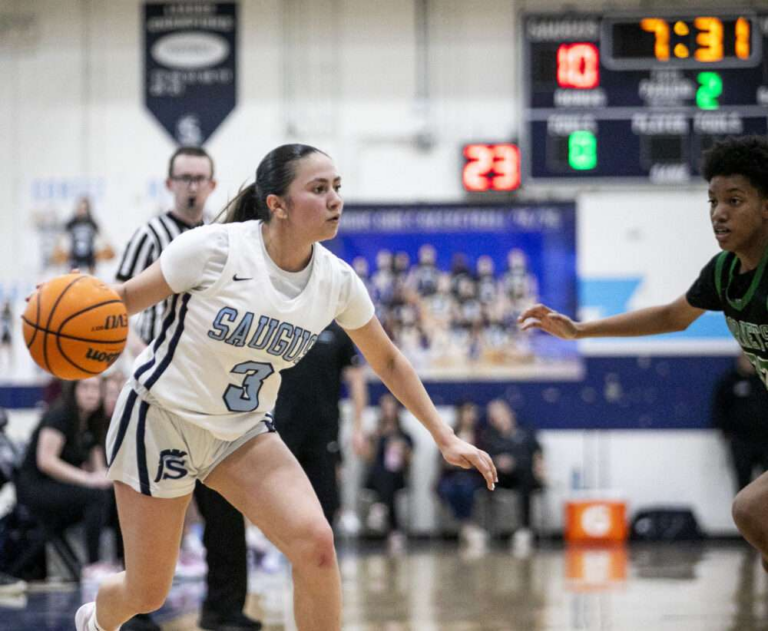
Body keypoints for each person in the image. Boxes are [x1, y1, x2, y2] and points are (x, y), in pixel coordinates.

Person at [74, 143, 497, 631]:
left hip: (241, 430)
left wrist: (445, 435)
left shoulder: (337, 281)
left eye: (337, 187)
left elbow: (387, 359)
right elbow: (124, 299)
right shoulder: (214, 249)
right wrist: (69, 304)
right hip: (159, 418)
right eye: (318, 189)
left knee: (316, 545)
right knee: (148, 591)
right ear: (277, 204)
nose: (335, 199)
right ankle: (96, 619)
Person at [517, 135, 768, 569]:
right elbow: (672, 316)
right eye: (712, 201)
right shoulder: (724, 272)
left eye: (735, 200)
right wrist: (579, 331)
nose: (719, 213)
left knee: (750, 510)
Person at [113, 146, 259, 631]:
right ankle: (134, 610)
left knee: (226, 511)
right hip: (157, 392)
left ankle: (224, 610)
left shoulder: (226, 240)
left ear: (214, 186)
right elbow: (118, 307)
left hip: (213, 395)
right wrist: (141, 363)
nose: (192, 185)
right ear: (170, 183)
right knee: (146, 508)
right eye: (184, 177)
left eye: (201, 177)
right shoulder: (149, 236)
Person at [14, 378, 114, 579]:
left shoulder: (92, 420)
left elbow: (99, 467)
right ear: (73, 390)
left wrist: (108, 478)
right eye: (85, 387)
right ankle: (93, 565)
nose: (91, 393)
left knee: (113, 494)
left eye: (96, 388)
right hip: (35, 486)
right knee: (96, 497)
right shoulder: (60, 416)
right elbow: (46, 461)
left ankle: (122, 561)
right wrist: (87, 479)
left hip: (59, 486)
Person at [272, 321, 367, 525]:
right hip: (284, 427)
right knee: (281, 496)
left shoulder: (337, 333)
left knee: (324, 503)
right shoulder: (282, 322)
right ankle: (275, 551)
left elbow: (356, 378)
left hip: (324, 430)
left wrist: (358, 428)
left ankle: (323, 553)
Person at [482, 399, 544, 554]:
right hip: (501, 476)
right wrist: (498, 461)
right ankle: (489, 529)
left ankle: (524, 529)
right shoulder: (489, 435)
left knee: (526, 477)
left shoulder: (525, 431)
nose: (497, 418)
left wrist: (540, 468)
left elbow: (537, 453)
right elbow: (485, 456)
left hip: (523, 475)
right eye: (493, 416)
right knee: (487, 481)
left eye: (499, 414)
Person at [361, 394, 414, 552]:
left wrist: (402, 449)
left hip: (397, 477)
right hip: (375, 477)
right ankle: (394, 530)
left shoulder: (404, 435)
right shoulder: (376, 433)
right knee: (382, 474)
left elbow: (409, 461)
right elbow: (369, 458)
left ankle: (379, 507)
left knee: (389, 476)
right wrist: (373, 441)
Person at [712, 352, 768, 493]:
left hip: (765, 440)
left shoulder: (763, 381)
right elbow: (719, 407)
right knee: (743, 482)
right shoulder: (729, 381)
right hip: (741, 441)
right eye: (745, 359)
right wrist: (725, 431)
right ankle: (742, 514)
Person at [437, 401, 488, 553]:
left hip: (472, 476)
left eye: (472, 412)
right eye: (467, 412)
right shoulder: (450, 433)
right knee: (448, 489)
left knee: (466, 487)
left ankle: (466, 525)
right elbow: (441, 460)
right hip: (451, 475)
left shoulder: (480, 434)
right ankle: (467, 525)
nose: (470, 416)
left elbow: (483, 459)